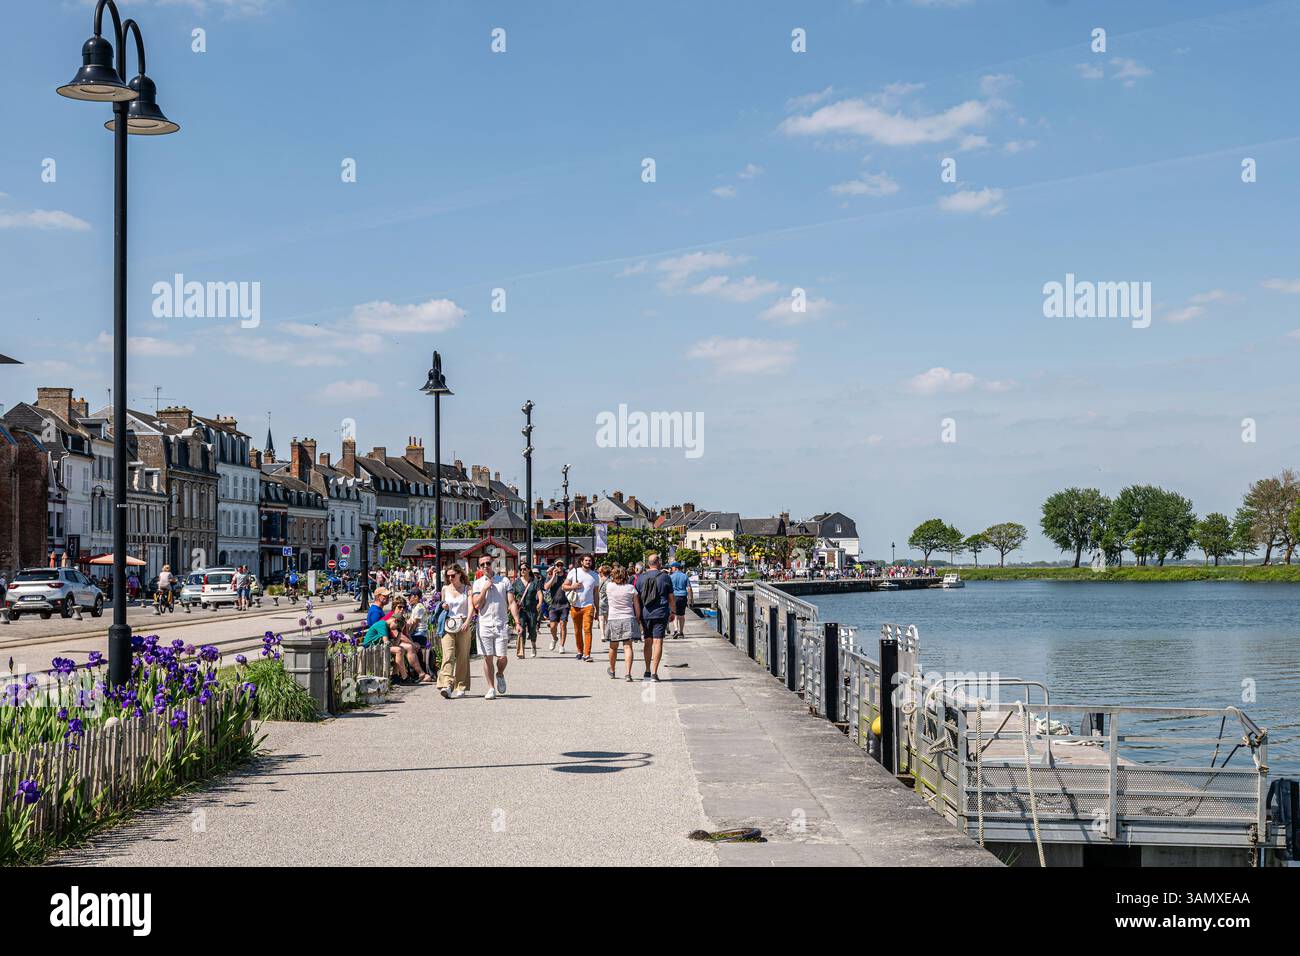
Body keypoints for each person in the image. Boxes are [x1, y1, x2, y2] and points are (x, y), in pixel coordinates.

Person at [471, 557, 520, 700]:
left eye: (488, 563)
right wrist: (484, 589)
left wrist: (517, 622)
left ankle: (499, 673)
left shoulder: (504, 581)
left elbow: (511, 602)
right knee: (487, 658)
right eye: (482, 564)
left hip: (501, 623)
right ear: (479, 567)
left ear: (493, 564)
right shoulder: (478, 584)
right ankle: (491, 688)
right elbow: (476, 605)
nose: (486, 566)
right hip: (485, 624)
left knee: (503, 657)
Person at [636, 553, 673, 681]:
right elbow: (671, 597)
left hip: (645, 613)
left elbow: (636, 598)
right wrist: (673, 611)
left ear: (648, 563)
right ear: (658, 563)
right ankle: (654, 673)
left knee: (647, 641)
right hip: (660, 612)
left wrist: (638, 614)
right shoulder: (665, 577)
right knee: (658, 642)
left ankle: (647, 670)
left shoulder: (640, 578)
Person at [437, 566, 473, 699]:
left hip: (463, 622)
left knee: (463, 656)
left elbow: (471, 607)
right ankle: (447, 685)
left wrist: (467, 621)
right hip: (448, 624)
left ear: (459, 574)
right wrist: (443, 606)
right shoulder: (445, 589)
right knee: (448, 654)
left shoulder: (467, 588)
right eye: (448, 576)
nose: (450, 578)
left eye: (453, 575)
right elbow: (442, 605)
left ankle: (461, 685)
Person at [603, 565, 641, 681]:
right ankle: (628, 674)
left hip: (613, 618)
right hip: (628, 618)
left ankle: (613, 670)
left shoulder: (609, 586)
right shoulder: (631, 588)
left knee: (613, 647)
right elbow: (637, 606)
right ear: (626, 575)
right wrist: (638, 619)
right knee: (628, 647)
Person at [563, 554, 600, 662]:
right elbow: (564, 587)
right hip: (575, 606)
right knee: (577, 631)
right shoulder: (574, 572)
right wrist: (573, 587)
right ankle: (580, 651)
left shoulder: (595, 575)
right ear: (582, 562)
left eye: (590, 561)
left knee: (587, 630)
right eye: (586, 560)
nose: (588, 562)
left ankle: (587, 654)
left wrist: (597, 609)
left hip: (588, 606)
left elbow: (596, 594)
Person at [513, 565, 542, 659]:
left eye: (524, 569)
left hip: (532, 609)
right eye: (520, 569)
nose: (522, 570)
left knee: (532, 628)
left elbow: (539, 593)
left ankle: (533, 645)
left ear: (529, 570)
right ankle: (522, 650)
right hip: (521, 610)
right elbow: (512, 595)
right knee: (521, 629)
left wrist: (540, 603)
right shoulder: (516, 582)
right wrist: (512, 605)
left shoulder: (534, 581)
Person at [544, 561, 569, 652]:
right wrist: (553, 576)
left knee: (563, 625)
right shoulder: (550, 576)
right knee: (552, 626)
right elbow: (546, 587)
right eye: (557, 565)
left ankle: (562, 646)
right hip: (554, 605)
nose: (559, 567)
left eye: (561, 565)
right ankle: (555, 638)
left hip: (565, 604)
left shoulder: (567, 577)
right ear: (555, 566)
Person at [668, 561, 692, 638]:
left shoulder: (671, 577)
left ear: (675, 568)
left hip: (674, 597)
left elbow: (668, 588)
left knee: (674, 613)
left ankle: (676, 630)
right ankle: (681, 632)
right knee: (681, 615)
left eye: (672, 567)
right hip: (683, 596)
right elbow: (689, 588)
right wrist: (690, 598)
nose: (671, 569)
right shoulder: (685, 576)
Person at [597, 564, 611, 639]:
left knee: (601, 619)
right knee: (607, 619)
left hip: (600, 601)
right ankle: (608, 634)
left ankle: (602, 634)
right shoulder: (610, 581)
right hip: (608, 601)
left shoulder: (599, 580)